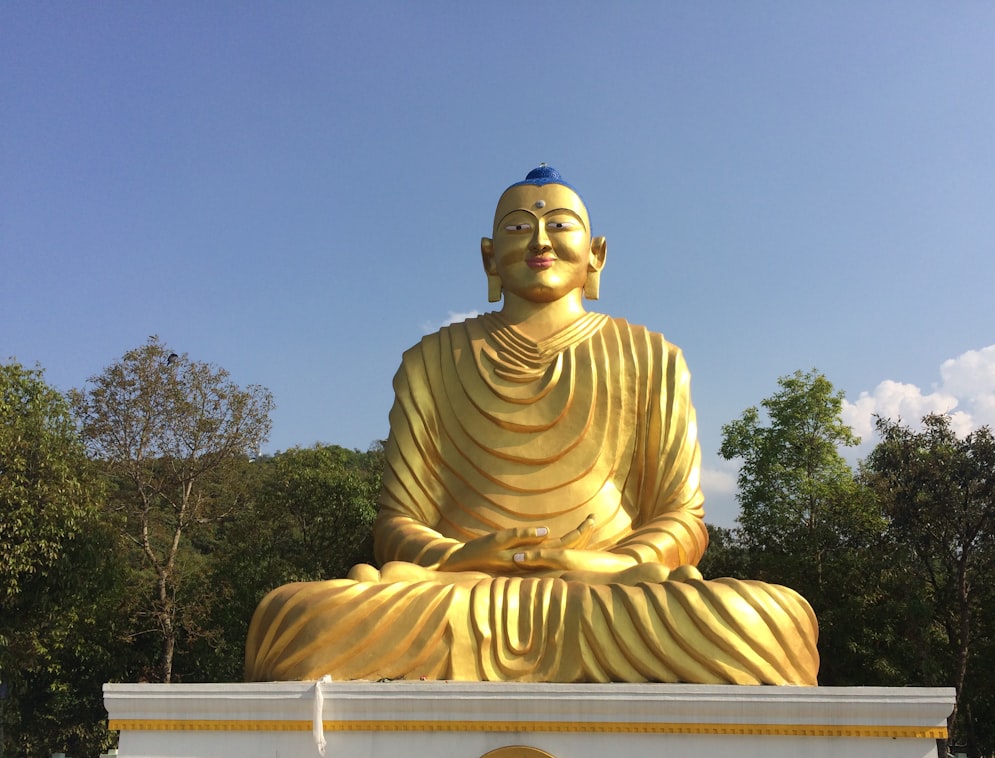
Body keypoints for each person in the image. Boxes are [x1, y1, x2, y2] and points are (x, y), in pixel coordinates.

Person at [245, 167, 819, 685]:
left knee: (763, 620)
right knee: (300, 620)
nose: (541, 242)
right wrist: (465, 557)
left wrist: (597, 564)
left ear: (596, 254)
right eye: (519, 228)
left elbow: (681, 520)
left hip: (609, 589)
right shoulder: (433, 358)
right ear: (489, 257)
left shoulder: (651, 356)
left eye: (559, 226)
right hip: (462, 588)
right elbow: (398, 522)